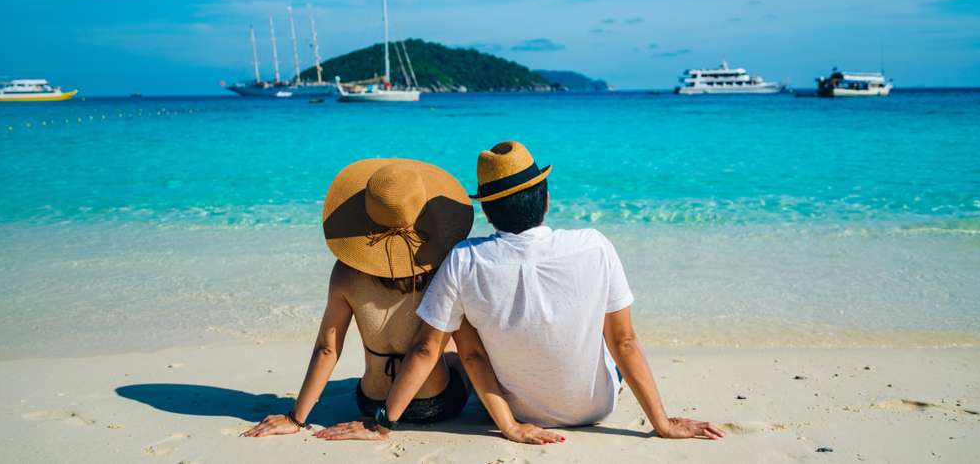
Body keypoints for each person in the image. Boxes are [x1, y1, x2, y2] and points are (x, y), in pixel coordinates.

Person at [316, 141, 725, 444]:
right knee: (601, 341)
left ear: (487, 212)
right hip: (598, 406)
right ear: (545, 200)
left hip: (519, 412)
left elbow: (429, 351)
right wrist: (663, 422)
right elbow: (625, 342)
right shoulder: (594, 244)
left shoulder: (465, 259)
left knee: (459, 353)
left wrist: (383, 422)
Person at [243, 158, 475, 437]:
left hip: (370, 403)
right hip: (436, 404)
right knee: (450, 350)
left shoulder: (346, 273)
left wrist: (296, 418)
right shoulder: (443, 267)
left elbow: (326, 350)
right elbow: (463, 352)